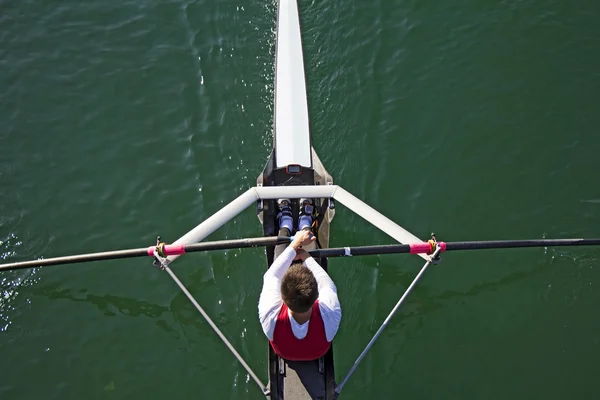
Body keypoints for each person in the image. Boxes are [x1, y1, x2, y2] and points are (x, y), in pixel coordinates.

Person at [258, 198, 342, 362]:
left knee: (281, 255)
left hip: (284, 352)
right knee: (310, 260)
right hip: (318, 352)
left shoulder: (270, 315)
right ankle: (305, 224)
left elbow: (272, 275)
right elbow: (326, 282)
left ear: (282, 298)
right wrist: (304, 255)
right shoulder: (330, 312)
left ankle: (286, 223)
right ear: (316, 296)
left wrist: (294, 246)